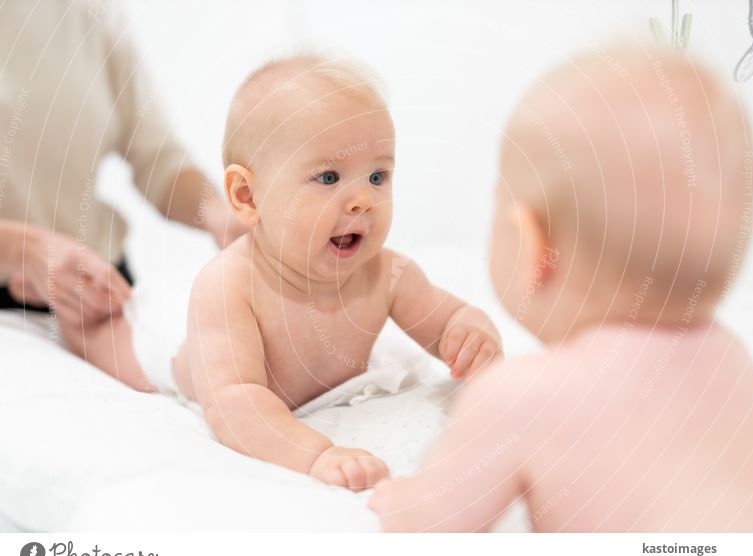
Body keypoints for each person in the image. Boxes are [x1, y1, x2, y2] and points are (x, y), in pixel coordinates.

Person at [368, 43, 753, 531]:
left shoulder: (516, 397)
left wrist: (405, 501)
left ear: (536, 250)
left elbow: (428, 531)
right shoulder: (730, 358)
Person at [142, 54, 504, 491]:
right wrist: (316, 455)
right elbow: (235, 403)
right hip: (185, 369)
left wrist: (473, 337)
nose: (362, 201)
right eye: (329, 176)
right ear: (247, 196)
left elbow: (449, 320)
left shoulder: (385, 273)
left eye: (377, 176)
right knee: (136, 352)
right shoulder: (228, 288)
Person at [0, 0, 246, 390]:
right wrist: (22, 250)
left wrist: (218, 213)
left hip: (101, 294)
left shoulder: (89, 11)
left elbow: (157, 159)